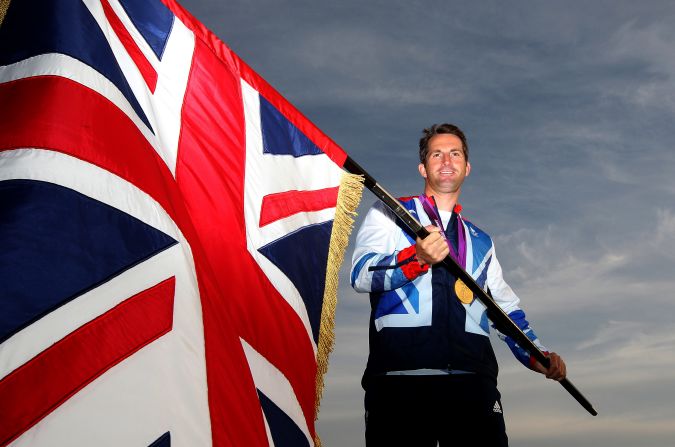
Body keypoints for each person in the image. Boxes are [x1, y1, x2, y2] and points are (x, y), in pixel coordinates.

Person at [350, 123, 566, 446]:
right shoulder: (389, 213)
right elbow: (361, 274)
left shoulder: (481, 242)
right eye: (437, 154)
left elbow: (506, 313)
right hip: (399, 385)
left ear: (467, 167)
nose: (447, 160)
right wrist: (417, 258)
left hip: (473, 387)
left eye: (455, 153)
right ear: (423, 167)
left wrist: (538, 356)